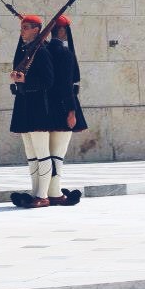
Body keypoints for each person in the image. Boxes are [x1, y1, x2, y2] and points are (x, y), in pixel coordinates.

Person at [9, 15, 55, 209]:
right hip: (24, 105)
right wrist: (16, 80)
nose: (22, 31)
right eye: (22, 27)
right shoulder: (24, 51)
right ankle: (35, 192)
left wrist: (25, 81)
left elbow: (48, 81)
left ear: (37, 29)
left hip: (38, 107)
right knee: (31, 154)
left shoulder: (42, 52)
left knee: (42, 153)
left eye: (26, 27)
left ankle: (43, 195)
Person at [45, 15, 86, 206]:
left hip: (45, 107)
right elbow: (66, 85)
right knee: (57, 153)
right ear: (62, 31)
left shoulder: (43, 50)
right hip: (62, 107)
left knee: (45, 154)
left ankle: (44, 191)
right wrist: (71, 111)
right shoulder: (65, 53)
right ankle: (55, 192)